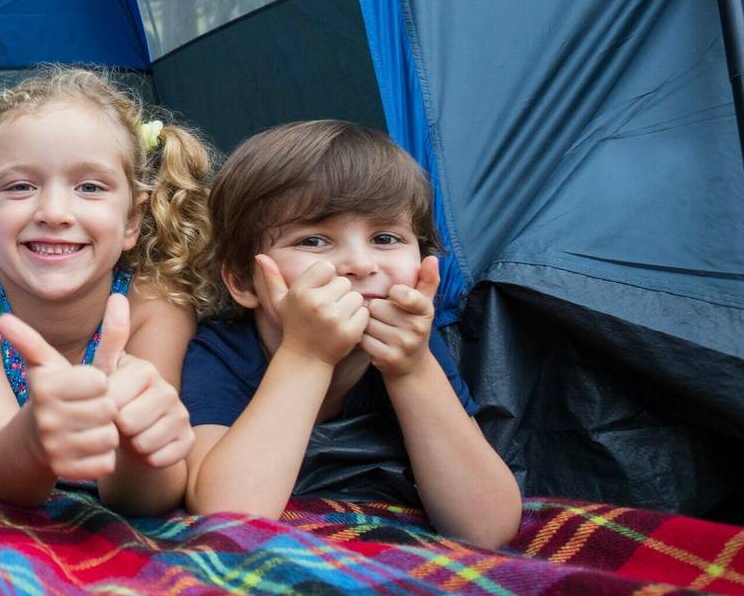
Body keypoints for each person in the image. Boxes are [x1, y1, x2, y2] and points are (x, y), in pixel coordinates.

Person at [182, 120, 521, 547]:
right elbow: (230, 516)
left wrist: (412, 371)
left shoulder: (412, 345)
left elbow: (485, 529)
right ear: (244, 283)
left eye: (385, 237)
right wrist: (307, 356)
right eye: (313, 241)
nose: (360, 264)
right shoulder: (219, 355)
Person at [0, 68, 214, 512]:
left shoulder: (155, 305)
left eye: (89, 187)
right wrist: (36, 436)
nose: (54, 212)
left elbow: (148, 499)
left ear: (132, 219)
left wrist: (138, 446)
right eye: (21, 186)